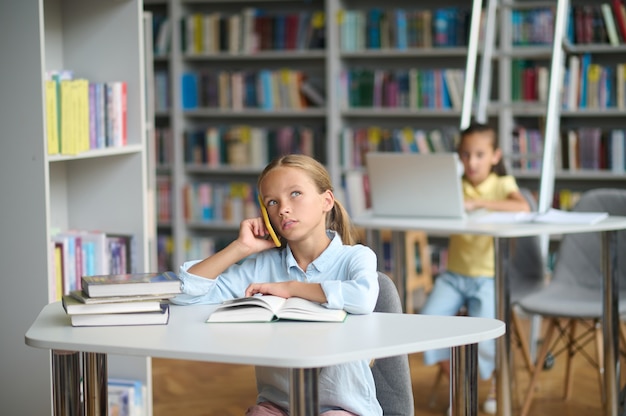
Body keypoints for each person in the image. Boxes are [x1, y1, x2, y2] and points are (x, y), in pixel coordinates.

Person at [172, 154, 382, 416]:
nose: (283, 208)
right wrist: (240, 248)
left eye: (295, 194)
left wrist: (291, 288)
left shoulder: (356, 257)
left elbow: (362, 298)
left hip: (343, 407)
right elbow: (184, 294)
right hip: (279, 405)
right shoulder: (263, 266)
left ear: (326, 201)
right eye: (272, 202)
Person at [420, 123, 530, 415]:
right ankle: (460, 384)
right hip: (454, 276)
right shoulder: (455, 184)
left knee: (488, 335)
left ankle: (493, 383)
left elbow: (523, 208)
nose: (472, 162)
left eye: (479, 155)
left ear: (495, 156)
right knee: (427, 324)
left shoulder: (501, 184)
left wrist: (478, 202)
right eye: (466, 155)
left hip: (487, 278)